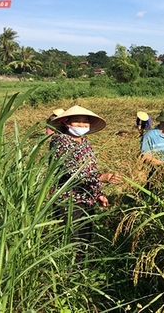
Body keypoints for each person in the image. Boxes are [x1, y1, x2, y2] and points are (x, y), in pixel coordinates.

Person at [49, 105, 121, 247]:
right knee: (71, 241)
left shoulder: (85, 142)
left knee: (85, 239)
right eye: (77, 121)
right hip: (68, 199)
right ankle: (68, 269)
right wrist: (102, 177)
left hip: (86, 197)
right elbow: (73, 171)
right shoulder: (60, 142)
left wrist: (98, 192)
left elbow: (91, 169)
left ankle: (82, 268)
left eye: (85, 121)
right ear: (66, 122)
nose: (81, 125)